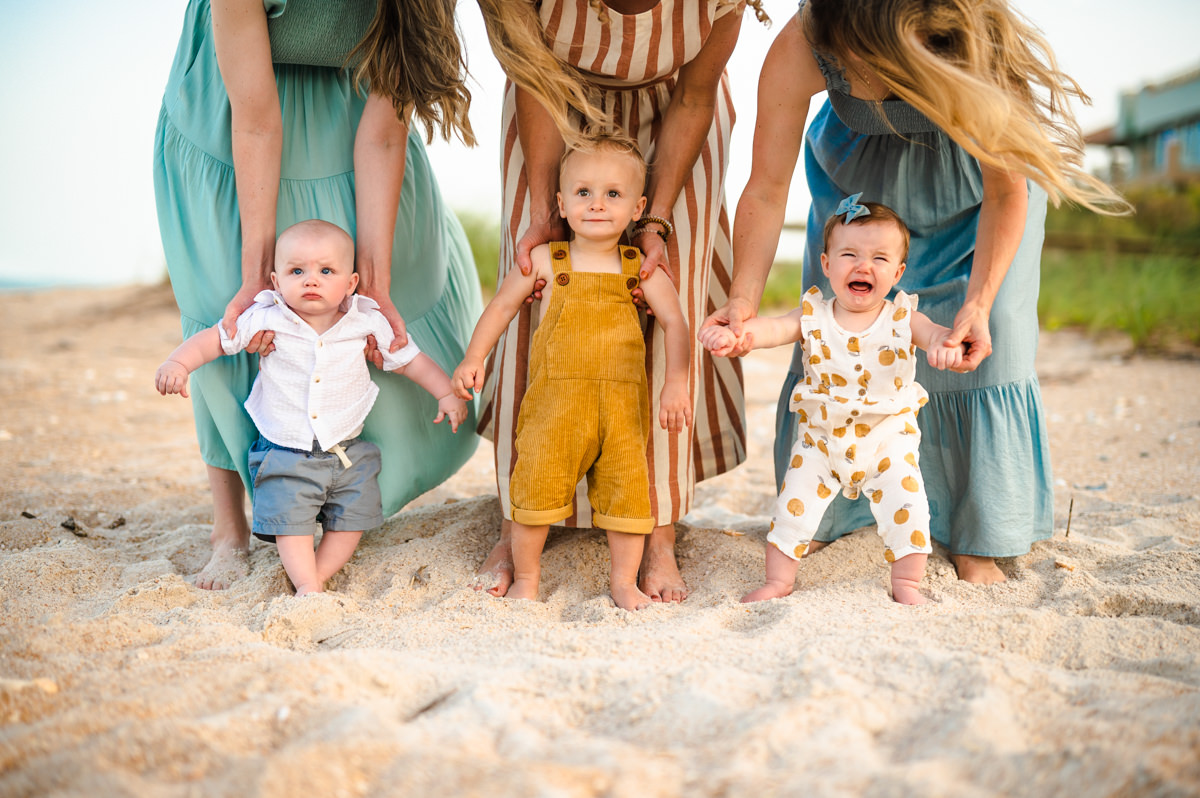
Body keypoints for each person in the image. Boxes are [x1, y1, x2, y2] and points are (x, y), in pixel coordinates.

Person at [705, 0, 1128, 584]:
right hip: (861, 199)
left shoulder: (973, 50)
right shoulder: (806, 37)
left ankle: (975, 535)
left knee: (983, 349)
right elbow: (767, 185)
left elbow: (1009, 194)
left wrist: (977, 303)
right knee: (839, 341)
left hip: (978, 194)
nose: (859, 79)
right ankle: (849, 510)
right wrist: (744, 297)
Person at [154, 0, 483, 589]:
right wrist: (259, 275)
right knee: (225, 302)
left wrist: (374, 282)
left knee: (372, 291)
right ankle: (228, 527)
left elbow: (384, 137)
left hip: (354, 105)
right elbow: (255, 120)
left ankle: (335, 506)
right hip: (232, 112)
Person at [471, 0, 769, 602]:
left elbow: (694, 97)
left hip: (676, 110)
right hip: (550, 102)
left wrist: (656, 218)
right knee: (534, 278)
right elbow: (533, 73)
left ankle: (656, 532)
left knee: (670, 282)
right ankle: (515, 523)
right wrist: (541, 205)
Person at [155, 220, 467, 596]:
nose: (311, 280)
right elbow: (215, 341)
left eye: (326, 271)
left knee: (353, 520)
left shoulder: (365, 321)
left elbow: (409, 361)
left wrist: (445, 393)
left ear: (350, 284)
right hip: (286, 449)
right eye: (297, 271)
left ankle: (316, 576)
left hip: (348, 452)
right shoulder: (266, 317)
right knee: (291, 524)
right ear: (275, 281)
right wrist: (179, 363)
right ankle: (306, 586)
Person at [452, 134, 692, 611]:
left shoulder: (640, 270)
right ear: (560, 203)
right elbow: (501, 307)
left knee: (627, 497)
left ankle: (624, 582)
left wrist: (677, 382)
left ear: (638, 207)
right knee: (536, 488)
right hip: (553, 407)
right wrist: (474, 357)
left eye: (613, 195)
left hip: (622, 412)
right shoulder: (546, 260)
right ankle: (528, 579)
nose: (597, 205)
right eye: (583, 193)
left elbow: (676, 323)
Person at [702, 199, 963, 604]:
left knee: (908, 507)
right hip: (821, 438)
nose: (864, 266)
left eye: (879, 258)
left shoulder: (901, 318)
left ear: (897, 273)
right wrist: (740, 336)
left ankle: (907, 583)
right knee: (792, 508)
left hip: (887, 439)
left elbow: (933, 335)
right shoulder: (813, 315)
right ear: (826, 264)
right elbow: (772, 328)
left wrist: (945, 346)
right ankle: (778, 581)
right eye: (850, 255)